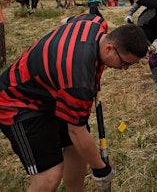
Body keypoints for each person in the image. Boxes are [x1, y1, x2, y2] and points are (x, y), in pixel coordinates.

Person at [0, 14, 148, 191]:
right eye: (125, 63)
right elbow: (76, 131)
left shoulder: (94, 22)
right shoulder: (78, 81)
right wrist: (101, 169)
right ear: (109, 48)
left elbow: (66, 21)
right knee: (49, 176)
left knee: (77, 150)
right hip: (18, 102)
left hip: (51, 92)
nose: (124, 69)